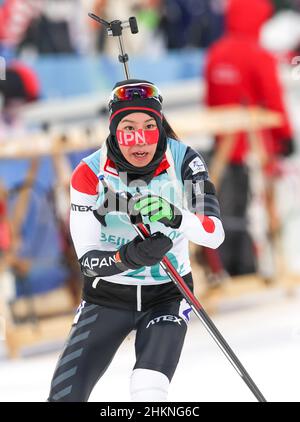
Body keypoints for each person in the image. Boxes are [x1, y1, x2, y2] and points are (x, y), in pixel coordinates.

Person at [48, 79, 225, 402]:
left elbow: (213, 234)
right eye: (128, 127)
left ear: (161, 127)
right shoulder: (89, 173)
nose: (139, 140)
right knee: (64, 396)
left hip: (168, 295)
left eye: (148, 126)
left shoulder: (185, 162)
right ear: (114, 130)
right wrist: (130, 256)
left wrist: (176, 216)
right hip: (107, 299)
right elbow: (88, 262)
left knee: (148, 389)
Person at [204, 0, 295, 276]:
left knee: (227, 209)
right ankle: (258, 267)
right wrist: (285, 136)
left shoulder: (215, 53)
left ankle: (228, 266)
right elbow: (273, 100)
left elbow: (209, 101)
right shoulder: (258, 55)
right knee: (258, 210)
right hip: (255, 150)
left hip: (224, 149)